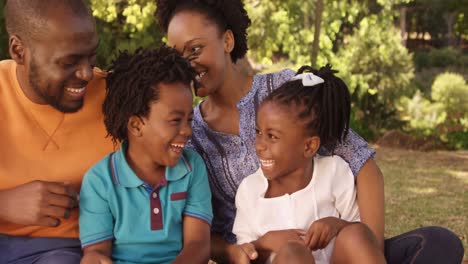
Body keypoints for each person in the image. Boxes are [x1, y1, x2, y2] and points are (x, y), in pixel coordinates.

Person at [154, 0, 464, 263]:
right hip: (274, 257)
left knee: (438, 243)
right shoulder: (188, 134)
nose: (186, 64)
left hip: (335, 247)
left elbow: (363, 165)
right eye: (176, 54)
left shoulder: (284, 90)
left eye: (195, 49)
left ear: (227, 41)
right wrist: (240, 251)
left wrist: (368, 247)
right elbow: (205, 232)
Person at [233, 65, 386, 264]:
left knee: (356, 234)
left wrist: (336, 225)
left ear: (309, 146)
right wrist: (265, 243)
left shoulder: (334, 172)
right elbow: (243, 256)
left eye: (272, 136)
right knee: (294, 254)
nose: (260, 145)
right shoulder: (249, 190)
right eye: (258, 132)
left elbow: (362, 233)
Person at [0, 0, 114, 263]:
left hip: (67, 250)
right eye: (68, 62)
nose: (87, 73)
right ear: (19, 51)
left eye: (91, 55)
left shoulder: (117, 99)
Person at [79, 46, 213, 264]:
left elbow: (198, 245)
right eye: (175, 120)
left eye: (189, 119)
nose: (187, 131)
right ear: (136, 125)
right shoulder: (99, 182)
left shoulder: (192, 167)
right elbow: (97, 252)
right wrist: (94, 258)